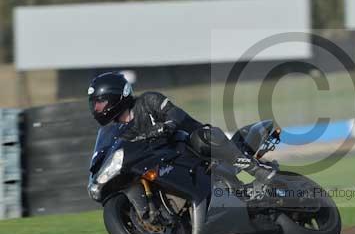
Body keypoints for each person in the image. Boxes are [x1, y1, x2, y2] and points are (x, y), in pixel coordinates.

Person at [87, 72, 276, 186]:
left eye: (100, 102)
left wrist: (167, 125)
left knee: (202, 137)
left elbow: (175, 114)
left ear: (118, 96)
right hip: (170, 163)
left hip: (194, 147)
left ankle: (258, 170)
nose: (96, 109)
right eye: (94, 104)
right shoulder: (120, 132)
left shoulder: (148, 100)